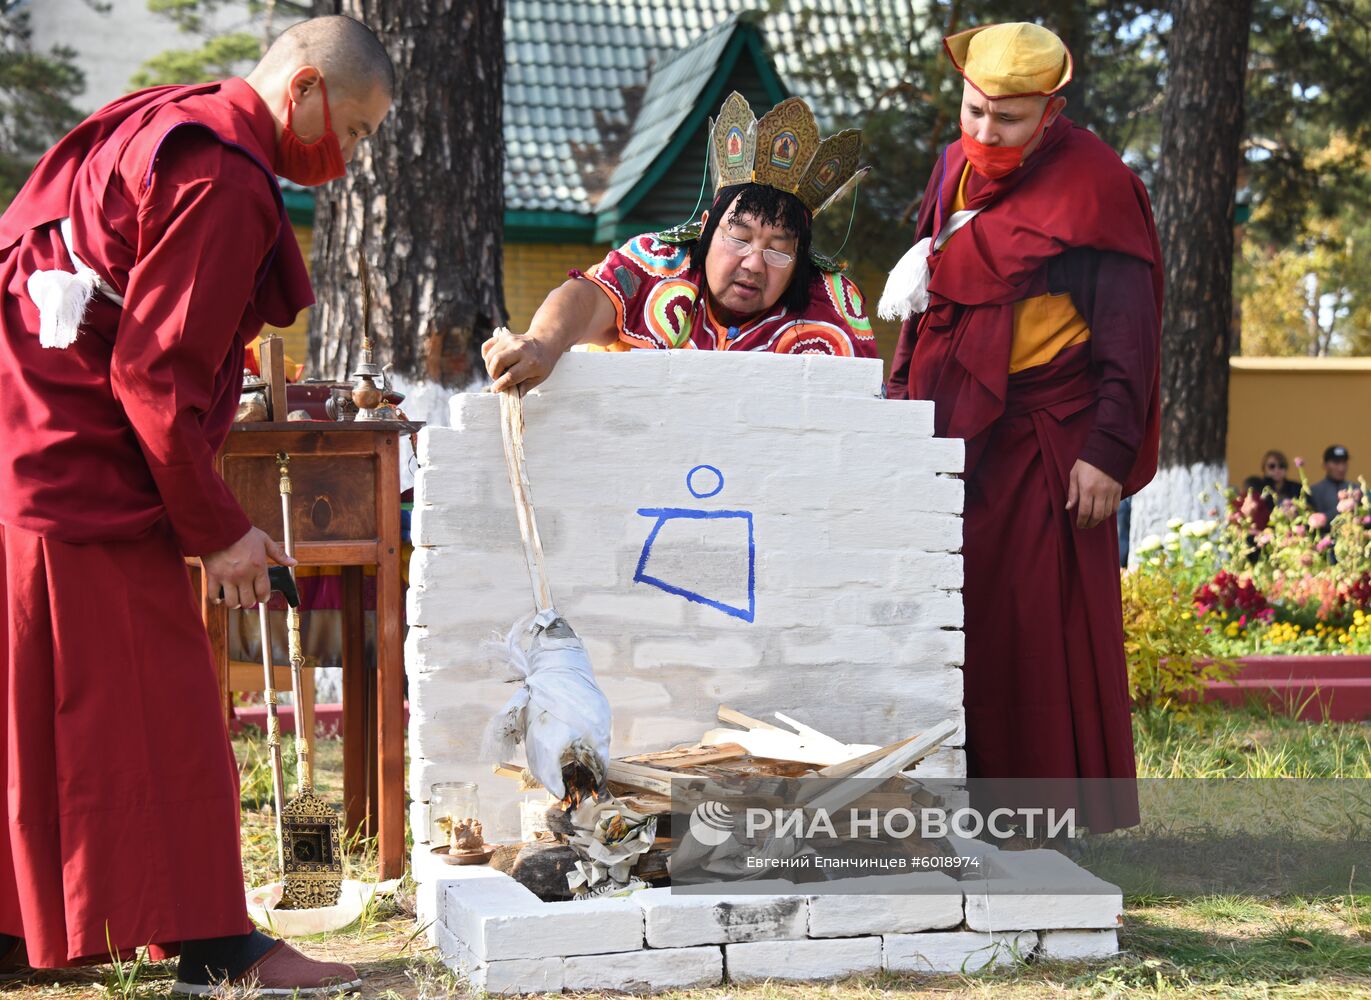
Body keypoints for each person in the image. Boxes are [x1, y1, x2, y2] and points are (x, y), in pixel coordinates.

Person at [0, 16, 393, 994]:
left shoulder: (144, 123)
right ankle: (220, 948)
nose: (349, 156)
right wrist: (218, 529)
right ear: (302, 91)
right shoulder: (219, 172)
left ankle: (20, 935)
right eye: (353, 126)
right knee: (166, 700)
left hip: (22, 442)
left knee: (29, 715)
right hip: (81, 465)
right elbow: (149, 373)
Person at [883, 23, 1162, 833]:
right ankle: (961, 808)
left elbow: (1129, 332)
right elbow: (930, 308)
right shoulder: (952, 166)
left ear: (1050, 110)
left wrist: (1106, 453)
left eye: (1007, 119)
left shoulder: (1096, 184)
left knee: (1037, 630)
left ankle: (1047, 820)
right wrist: (902, 411)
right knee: (959, 621)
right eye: (973, 111)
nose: (983, 134)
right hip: (960, 434)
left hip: (1052, 438)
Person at [482, 91, 877, 392]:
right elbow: (585, 299)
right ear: (706, 228)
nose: (755, 264)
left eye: (778, 249)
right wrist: (541, 343)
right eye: (739, 238)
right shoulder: (658, 262)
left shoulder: (832, 304)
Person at [1309, 444, 1351, 523]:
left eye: (1344, 462)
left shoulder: (1356, 489)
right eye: (1336, 463)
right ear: (1324, 464)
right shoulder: (1314, 491)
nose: (1341, 468)